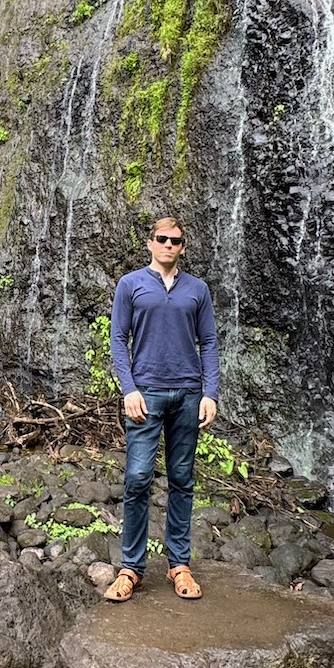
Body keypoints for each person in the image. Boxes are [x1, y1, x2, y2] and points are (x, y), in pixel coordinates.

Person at [103, 216, 218, 603]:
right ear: (150, 243)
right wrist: (129, 389)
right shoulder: (130, 285)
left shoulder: (197, 289)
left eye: (176, 240)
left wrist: (210, 393)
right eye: (162, 239)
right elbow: (119, 339)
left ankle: (179, 565)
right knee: (137, 478)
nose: (169, 245)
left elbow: (210, 343)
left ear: (183, 246)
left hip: (188, 394)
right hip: (146, 394)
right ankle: (131, 569)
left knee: (182, 479)